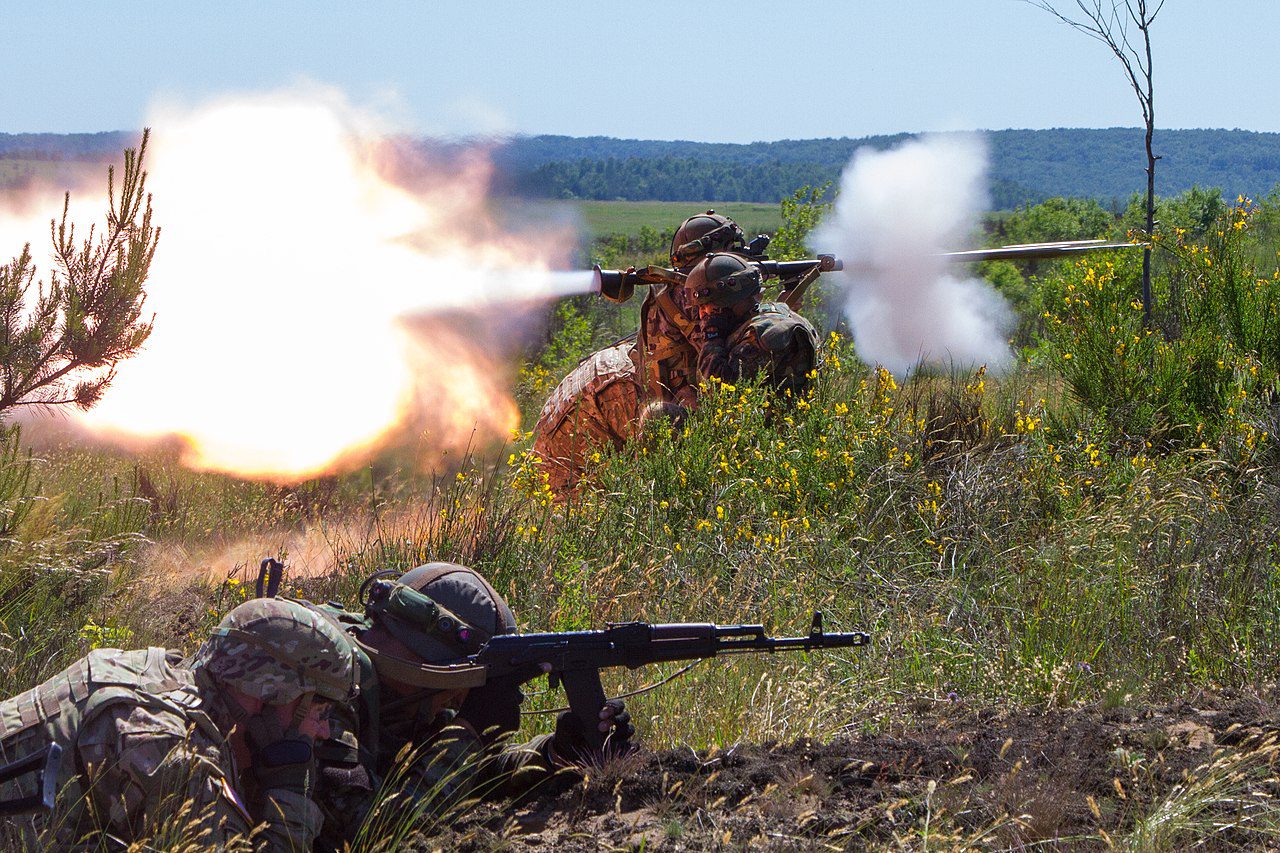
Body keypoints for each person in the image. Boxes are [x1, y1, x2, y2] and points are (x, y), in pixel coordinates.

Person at [311, 562, 634, 850]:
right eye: (453, 683)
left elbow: (465, 778)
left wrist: (552, 754)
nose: (454, 699)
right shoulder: (321, 687)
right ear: (419, 657)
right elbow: (373, 834)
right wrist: (468, 736)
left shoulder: (400, 693)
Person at [0, 598, 357, 850]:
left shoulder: (162, 675)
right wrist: (290, 804)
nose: (324, 732)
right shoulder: (180, 758)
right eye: (319, 711)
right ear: (266, 696)